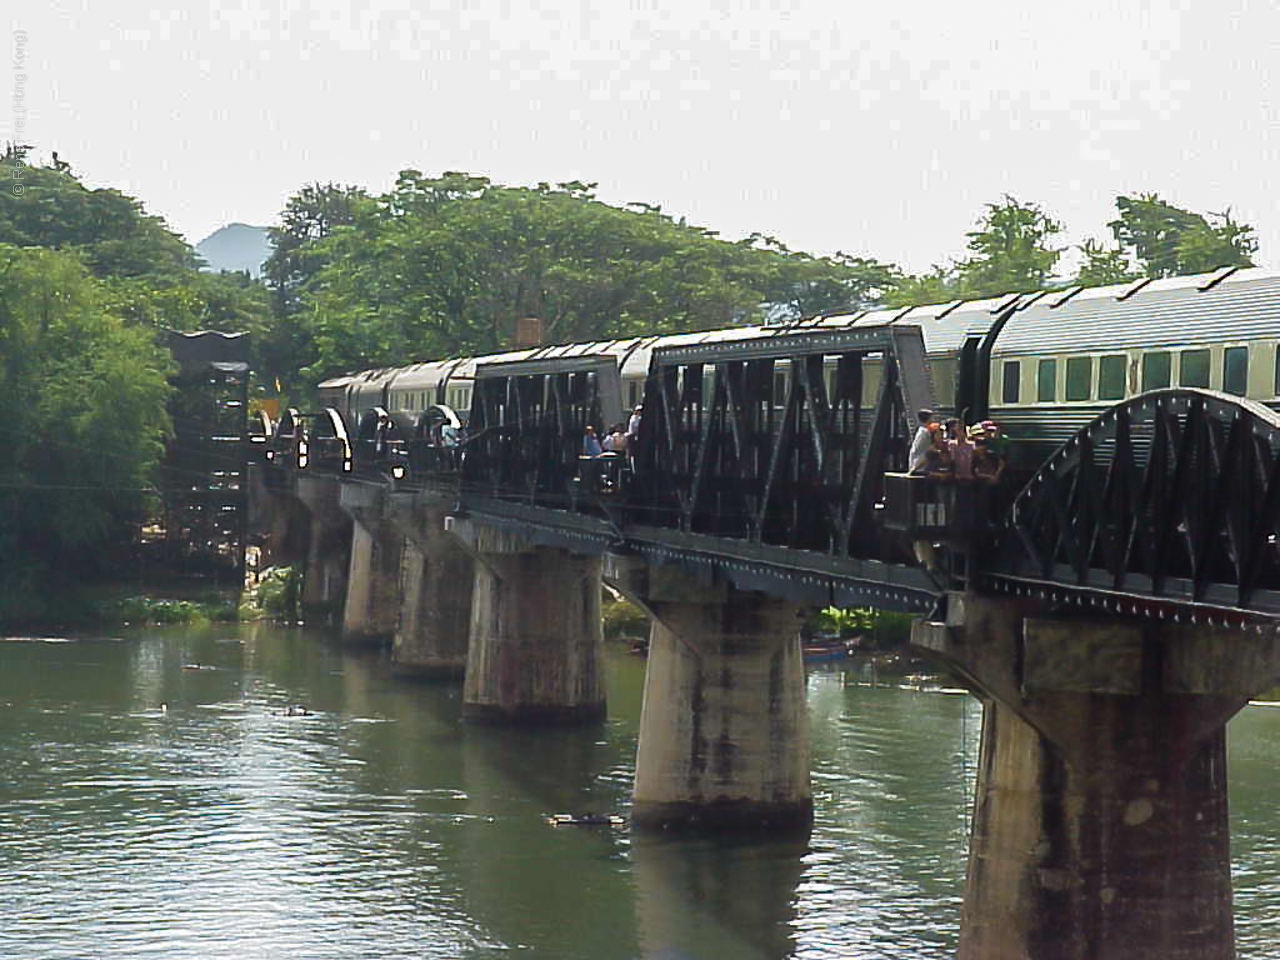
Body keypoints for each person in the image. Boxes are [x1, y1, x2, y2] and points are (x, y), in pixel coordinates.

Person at [908, 408, 934, 475]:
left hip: (915, 464)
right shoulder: (925, 433)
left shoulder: (920, 431)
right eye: (931, 418)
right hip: (920, 467)